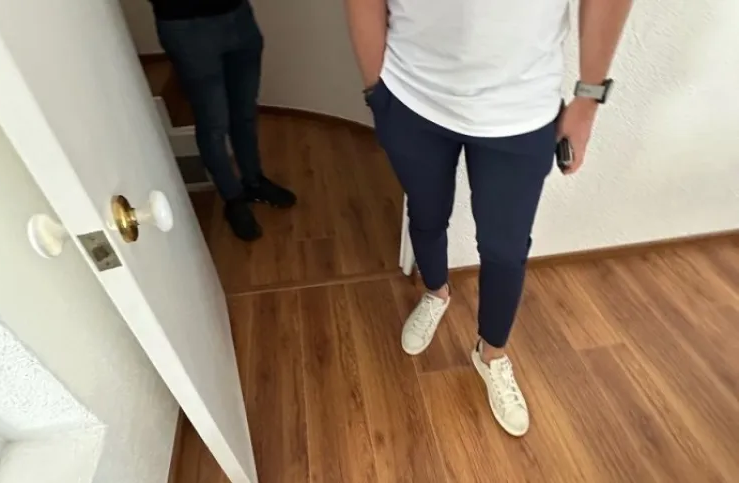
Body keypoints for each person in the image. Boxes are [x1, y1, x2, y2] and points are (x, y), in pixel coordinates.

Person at [345, 0, 632, 436]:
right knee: (426, 214)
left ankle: (491, 353)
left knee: (505, 249)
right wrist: (375, 90)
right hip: (411, 95)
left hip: (521, 108)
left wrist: (588, 99)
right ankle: (436, 293)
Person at [151, 0, 296, 241]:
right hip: (186, 27)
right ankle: (233, 198)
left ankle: (254, 181)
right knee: (213, 123)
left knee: (245, 112)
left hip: (238, 15)